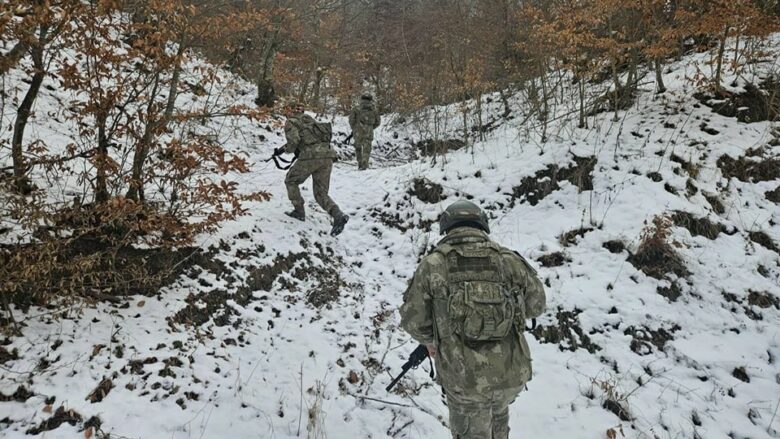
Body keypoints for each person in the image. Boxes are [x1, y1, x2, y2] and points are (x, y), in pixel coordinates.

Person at [399, 200, 546, 438]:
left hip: (464, 381)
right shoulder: (509, 261)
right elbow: (537, 305)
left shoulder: (434, 265)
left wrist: (433, 340)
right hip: (509, 375)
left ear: (446, 227)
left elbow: (413, 321)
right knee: (499, 420)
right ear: (482, 226)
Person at [276, 108, 349, 236]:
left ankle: (299, 211)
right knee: (321, 193)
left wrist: (286, 150)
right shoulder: (311, 121)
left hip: (311, 156)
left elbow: (293, 142)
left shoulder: (291, 122)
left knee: (291, 180)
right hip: (328, 155)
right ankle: (338, 215)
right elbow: (309, 139)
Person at [348, 93, 381, 170]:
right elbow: (378, 122)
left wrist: (354, 128)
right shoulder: (374, 109)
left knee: (358, 148)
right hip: (369, 131)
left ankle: (359, 164)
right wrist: (371, 128)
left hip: (358, 131)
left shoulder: (356, 108)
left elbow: (351, 120)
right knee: (367, 148)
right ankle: (365, 164)